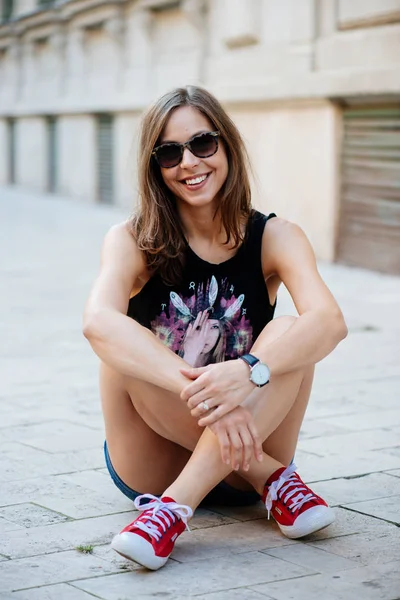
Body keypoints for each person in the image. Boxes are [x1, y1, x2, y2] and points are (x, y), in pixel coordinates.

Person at [83, 85, 348, 571]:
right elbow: (96, 322)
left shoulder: (276, 236)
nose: (188, 162)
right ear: (154, 166)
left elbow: (330, 323)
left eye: (202, 144)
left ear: (226, 146)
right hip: (155, 464)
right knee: (121, 339)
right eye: (169, 152)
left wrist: (249, 372)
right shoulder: (131, 239)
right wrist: (209, 394)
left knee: (292, 330)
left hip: (243, 452)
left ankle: (174, 510)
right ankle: (273, 479)